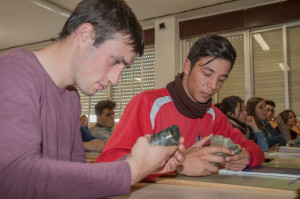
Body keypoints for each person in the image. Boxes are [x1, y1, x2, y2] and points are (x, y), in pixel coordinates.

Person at [0, 0, 185, 198]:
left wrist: (143, 163)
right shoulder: (12, 71)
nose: (115, 80)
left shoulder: (72, 97)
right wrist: (132, 169)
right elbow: (14, 177)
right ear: (85, 35)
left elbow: (75, 178)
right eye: (115, 61)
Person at [97, 35, 265, 179]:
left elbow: (254, 149)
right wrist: (176, 165)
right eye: (207, 73)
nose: (213, 85)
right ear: (187, 67)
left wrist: (247, 157)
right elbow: (107, 163)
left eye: (221, 79)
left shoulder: (213, 115)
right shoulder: (148, 104)